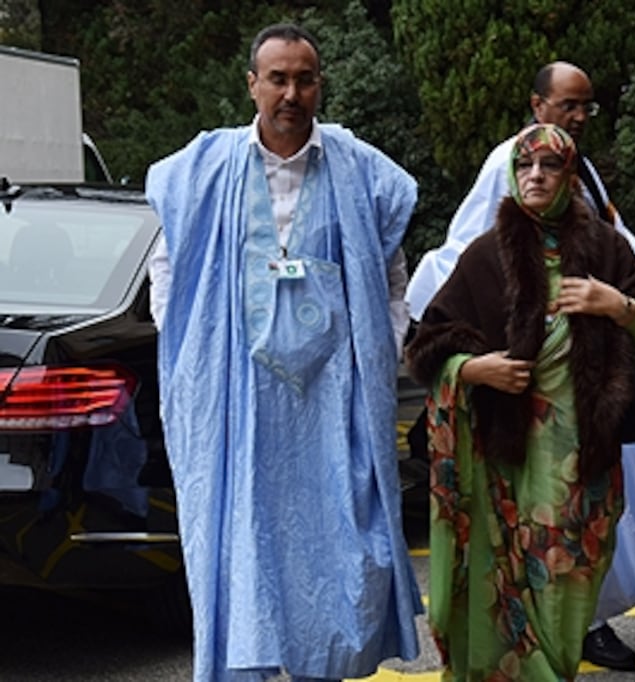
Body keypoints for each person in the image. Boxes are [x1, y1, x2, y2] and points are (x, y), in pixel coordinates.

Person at [144, 23, 423, 681]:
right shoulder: (204, 168)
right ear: (252, 84)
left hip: (334, 409)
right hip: (236, 411)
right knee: (244, 550)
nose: (291, 92)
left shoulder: (361, 170)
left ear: (320, 83)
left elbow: (391, 279)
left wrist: (374, 369)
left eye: (304, 78)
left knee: (339, 553)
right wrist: (198, 360)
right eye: (278, 78)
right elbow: (168, 265)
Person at [406, 61, 635, 671]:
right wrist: (475, 369)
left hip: (583, 461)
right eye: (526, 165)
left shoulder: (604, 246)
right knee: (510, 581)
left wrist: (614, 304)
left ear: (572, 177)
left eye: (551, 166)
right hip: (506, 465)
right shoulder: (486, 256)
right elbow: (428, 347)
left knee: (571, 579)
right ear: (511, 175)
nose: (536, 175)